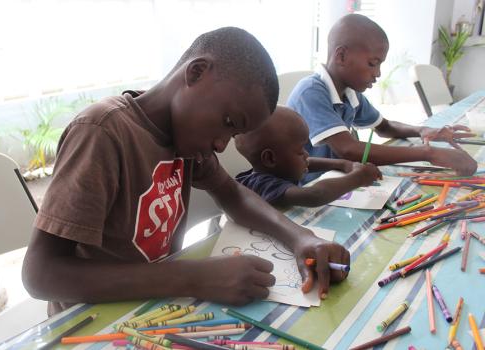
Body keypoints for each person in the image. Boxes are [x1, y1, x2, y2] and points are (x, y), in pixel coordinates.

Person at [22, 27, 349, 316]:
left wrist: (301, 237)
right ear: (196, 73)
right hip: (92, 321)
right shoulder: (104, 133)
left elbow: (233, 195)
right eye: (228, 123)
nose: (222, 145)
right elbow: (41, 274)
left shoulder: (185, 139)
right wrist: (194, 277)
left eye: (234, 135)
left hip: (156, 306)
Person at [287, 14, 477, 184]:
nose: (377, 74)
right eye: (372, 63)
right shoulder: (311, 92)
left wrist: (422, 130)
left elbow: (384, 127)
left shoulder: (350, 94)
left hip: (335, 181)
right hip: (304, 188)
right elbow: (348, 149)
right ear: (342, 56)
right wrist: (428, 152)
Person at [235, 106, 382, 207]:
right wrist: (358, 178)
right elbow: (315, 195)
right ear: (270, 159)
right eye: (300, 151)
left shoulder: (277, 168)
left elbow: (307, 162)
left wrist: (343, 164)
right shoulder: (262, 185)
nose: (306, 154)